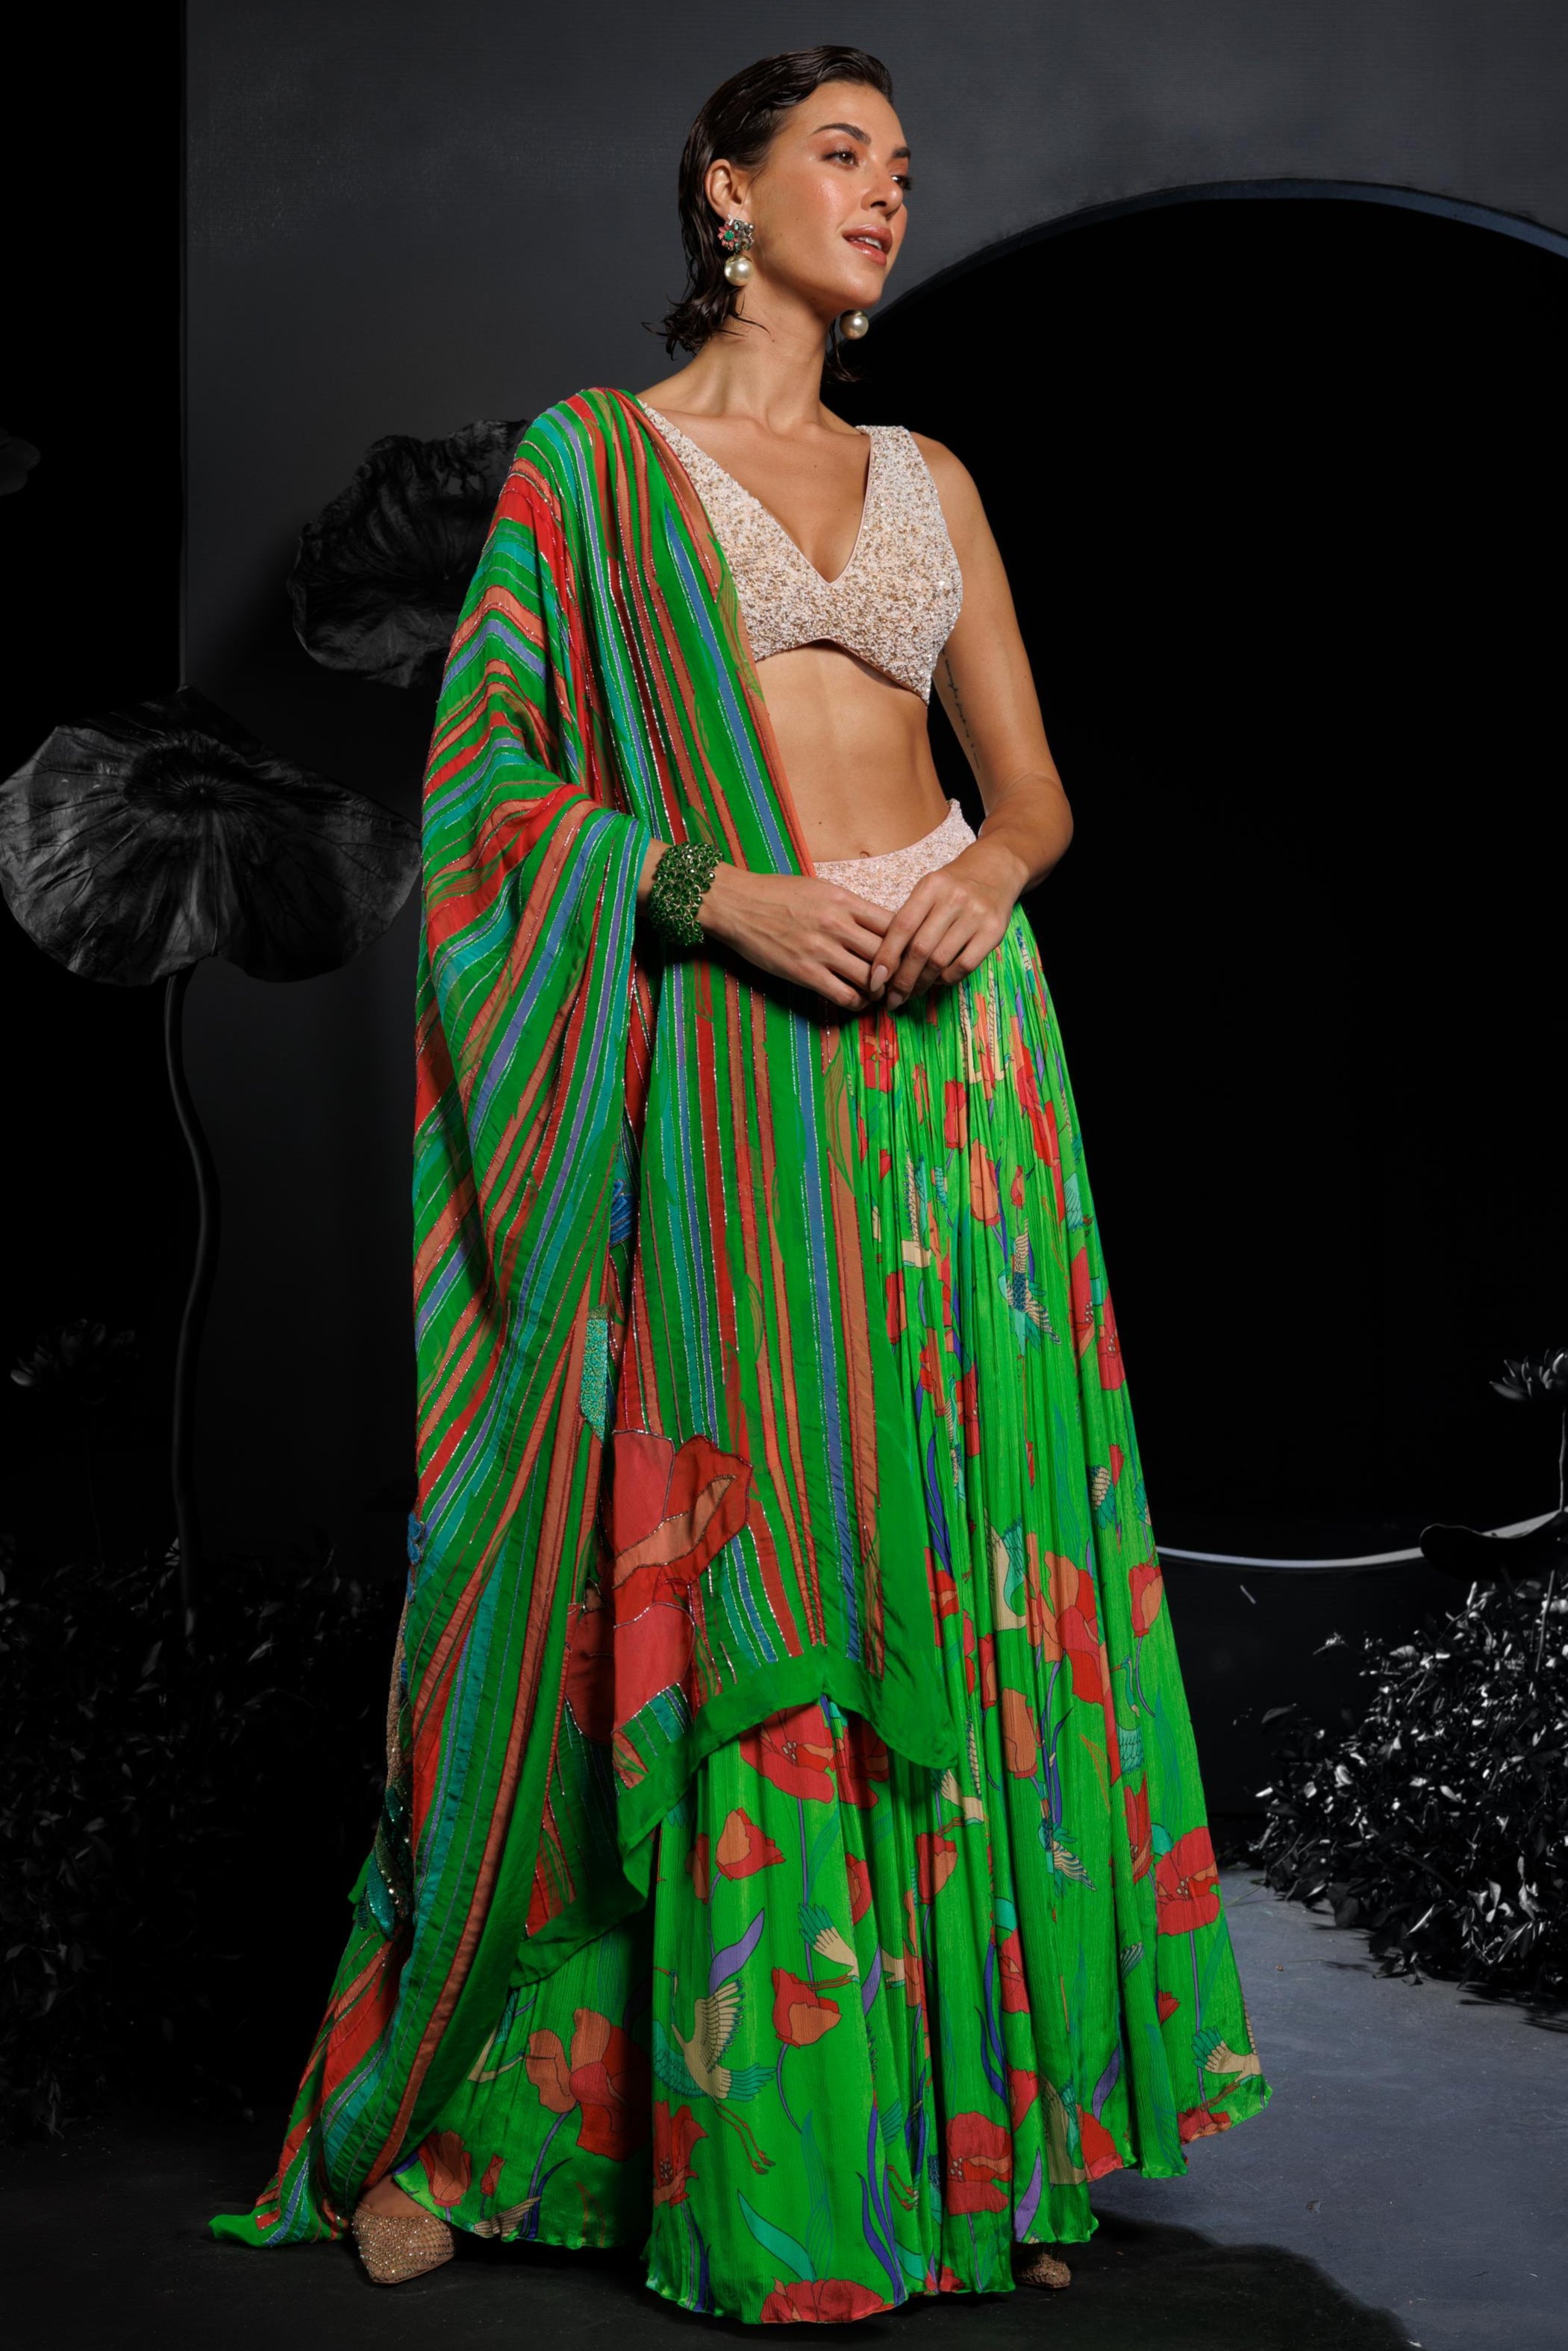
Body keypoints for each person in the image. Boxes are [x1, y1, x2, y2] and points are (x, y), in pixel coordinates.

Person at [211, 45, 1269, 2321]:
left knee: (958, 1560)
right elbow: (490, 797)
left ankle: (961, 2138)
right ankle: (557, 2137)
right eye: (839, 154)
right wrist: (711, 898)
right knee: (736, 1556)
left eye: (904, 166)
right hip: (728, 1052)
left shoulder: (931, 475)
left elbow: (1035, 789)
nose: (885, 194)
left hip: (960, 1072)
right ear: (724, 189)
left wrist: (982, 882)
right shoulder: (595, 472)